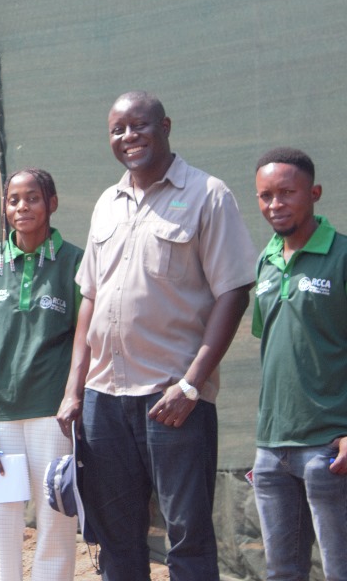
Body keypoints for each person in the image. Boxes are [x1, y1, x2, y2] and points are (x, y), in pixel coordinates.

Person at [56, 91, 256, 580]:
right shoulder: (107, 202)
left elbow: (234, 292)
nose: (128, 137)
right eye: (118, 130)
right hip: (105, 398)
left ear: (165, 126)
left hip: (173, 399)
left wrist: (191, 385)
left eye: (138, 126)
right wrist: (74, 389)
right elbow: (89, 299)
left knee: (186, 534)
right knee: (115, 534)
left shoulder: (209, 194)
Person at [0, 168, 82, 581]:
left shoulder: (74, 262)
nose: (21, 207)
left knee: (56, 519)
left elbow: (86, 340)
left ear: (51, 203)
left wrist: (73, 400)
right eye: (13, 199)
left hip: (54, 416)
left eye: (32, 198)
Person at [250, 147, 347, 581]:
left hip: (329, 445)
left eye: (287, 192)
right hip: (272, 448)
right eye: (265, 195)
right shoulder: (266, 261)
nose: (275, 204)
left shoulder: (342, 256)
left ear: (315, 193)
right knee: (281, 572)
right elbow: (274, 346)